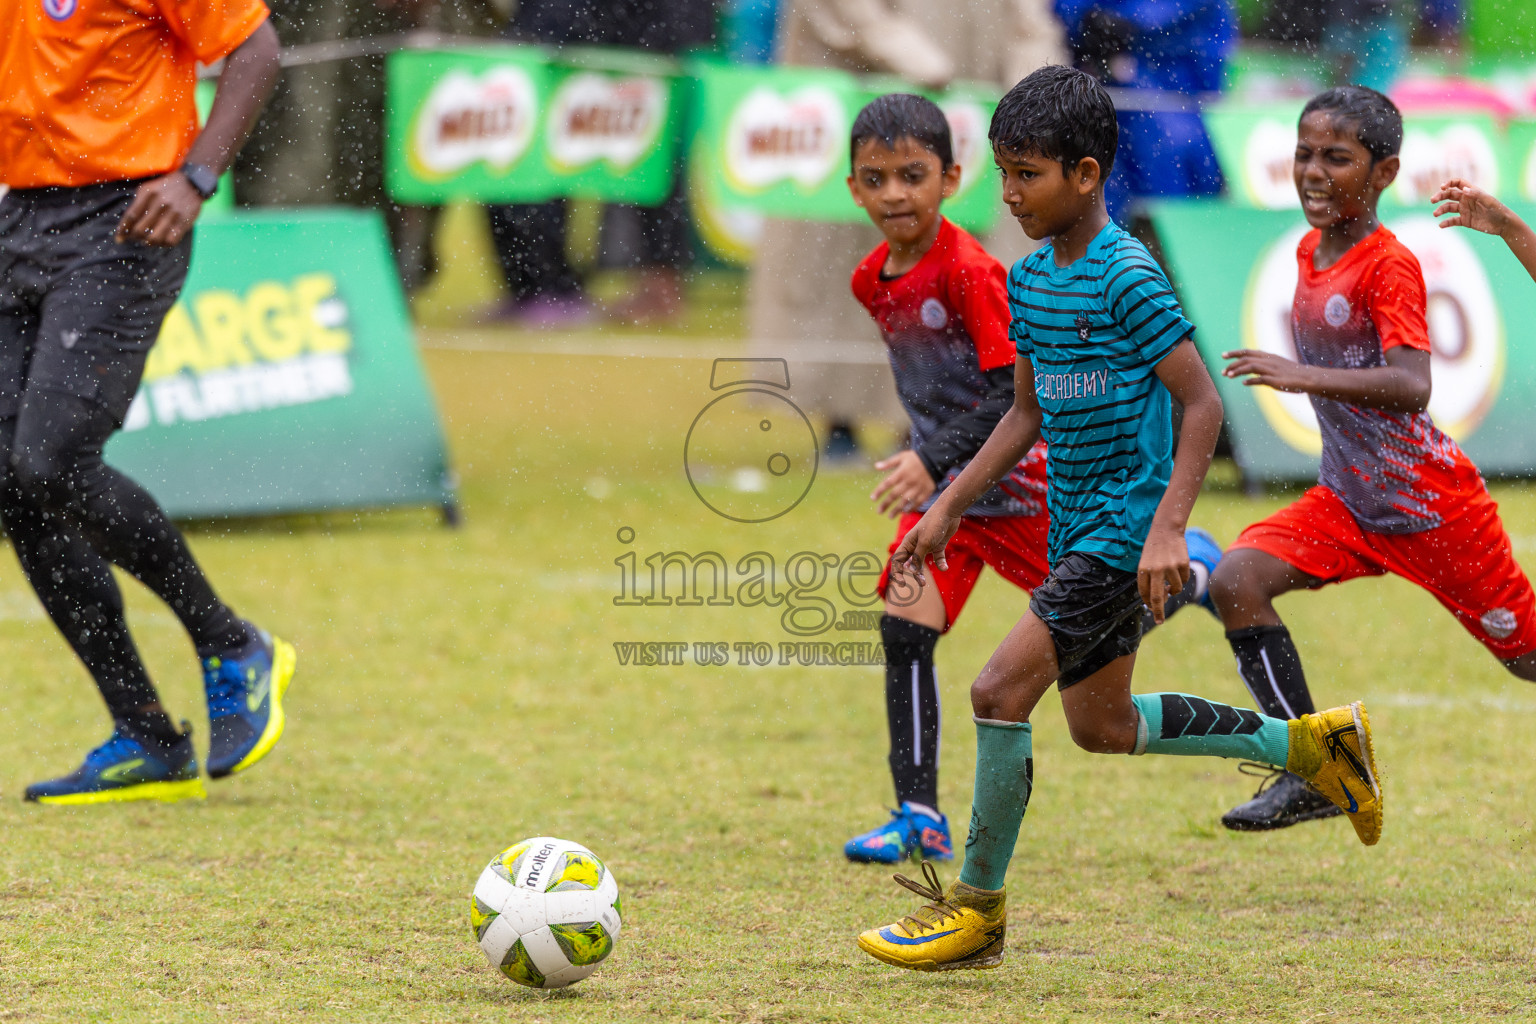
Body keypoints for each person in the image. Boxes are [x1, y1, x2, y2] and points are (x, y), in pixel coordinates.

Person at [854, 66, 1380, 973]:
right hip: (1073, 528)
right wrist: (947, 503)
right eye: (1003, 173)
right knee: (1102, 727)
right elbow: (1023, 414)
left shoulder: (1127, 272)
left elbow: (1203, 403)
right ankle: (1310, 745)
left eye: (1029, 175)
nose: (1010, 194)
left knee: (994, 692)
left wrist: (1169, 530)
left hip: (1121, 537)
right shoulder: (1029, 279)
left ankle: (975, 912)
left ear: (1087, 173)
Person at [838, 93, 1222, 864]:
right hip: (963, 497)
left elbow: (1007, 402)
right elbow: (1000, 403)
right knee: (903, 628)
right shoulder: (872, 280)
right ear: (852, 188)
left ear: (949, 179)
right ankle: (919, 815)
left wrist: (932, 464)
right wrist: (945, 497)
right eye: (875, 180)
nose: (894, 195)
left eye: (912, 175)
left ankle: (1189, 567)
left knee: (1062, 676)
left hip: (1034, 499)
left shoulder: (984, 273)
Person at [1211, 89, 1536, 832]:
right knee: (1238, 581)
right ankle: (1319, 772)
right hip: (1350, 503)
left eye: (1336, 157)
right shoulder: (1304, 250)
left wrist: (1302, 377)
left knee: (1526, 659)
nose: (1314, 172)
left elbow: (1414, 385)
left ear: (1385, 171)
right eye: (1303, 154)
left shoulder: (1387, 265)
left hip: (1431, 509)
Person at [0, 0, 296, 803]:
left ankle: (232, 644)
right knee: (14, 484)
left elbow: (257, 49)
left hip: (127, 217)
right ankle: (144, 734)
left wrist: (197, 176)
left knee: (51, 458)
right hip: (19, 214)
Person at [748, 0, 1069, 464]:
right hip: (865, 88)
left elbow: (1029, 21)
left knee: (961, 270)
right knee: (855, 262)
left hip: (973, 98)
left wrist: (1032, 78)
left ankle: (933, 424)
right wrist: (900, 48)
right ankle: (841, 420)